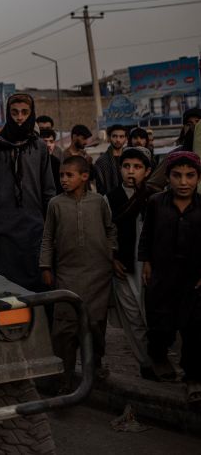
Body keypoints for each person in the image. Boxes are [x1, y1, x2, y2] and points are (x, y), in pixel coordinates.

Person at [40, 155, 116, 391]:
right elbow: (48, 238)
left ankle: (94, 369)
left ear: (84, 177)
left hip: (98, 275)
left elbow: (110, 230)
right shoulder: (55, 204)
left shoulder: (99, 202)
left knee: (95, 324)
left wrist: (111, 255)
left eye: (69, 175)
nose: (63, 179)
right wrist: (45, 266)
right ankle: (64, 378)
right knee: (65, 328)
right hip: (67, 273)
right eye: (61, 175)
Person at [138, 151, 201, 401]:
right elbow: (147, 234)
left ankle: (194, 377)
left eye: (190, 176)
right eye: (177, 175)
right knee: (160, 323)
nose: (183, 182)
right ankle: (159, 357)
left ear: (197, 178)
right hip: (162, 275)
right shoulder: (155, 202)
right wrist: (146, 262)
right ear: (168, 177)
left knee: (195, 329)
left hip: (193, 279)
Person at [0, 93, 56, 291]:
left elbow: (48, 190)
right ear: (8, 114)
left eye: (24, 112)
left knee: (37, 290)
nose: (20, 117)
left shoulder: (39, 147)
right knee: (3, 289)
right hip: (1, 231)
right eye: (14, 113)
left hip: (34, 230)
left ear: (31, 114)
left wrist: (53, 226)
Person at [106, 147, 155, 379]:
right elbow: (105, 233)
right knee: (133, 319)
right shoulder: (110, 199)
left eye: (137, 167)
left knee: (152, 316)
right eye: (126, 167)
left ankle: (159, 358)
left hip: (151, 268)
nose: (131, 172)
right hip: (124, 268)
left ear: (147, 171)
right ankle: (146, 364)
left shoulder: (155, 197)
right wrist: (112, 259)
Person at [94, 124, 127, 195]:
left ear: (125, 139)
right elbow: (100, 188)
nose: (118, 140)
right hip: (109, 200)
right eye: (114, 136)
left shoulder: (129, 158)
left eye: (121, 137)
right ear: (109, 138)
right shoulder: (101, 161)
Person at [40, 128, 62, 192]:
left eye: (51, 141)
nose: (49, 145)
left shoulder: (56, 162)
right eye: (45, 141)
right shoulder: (33, 162)